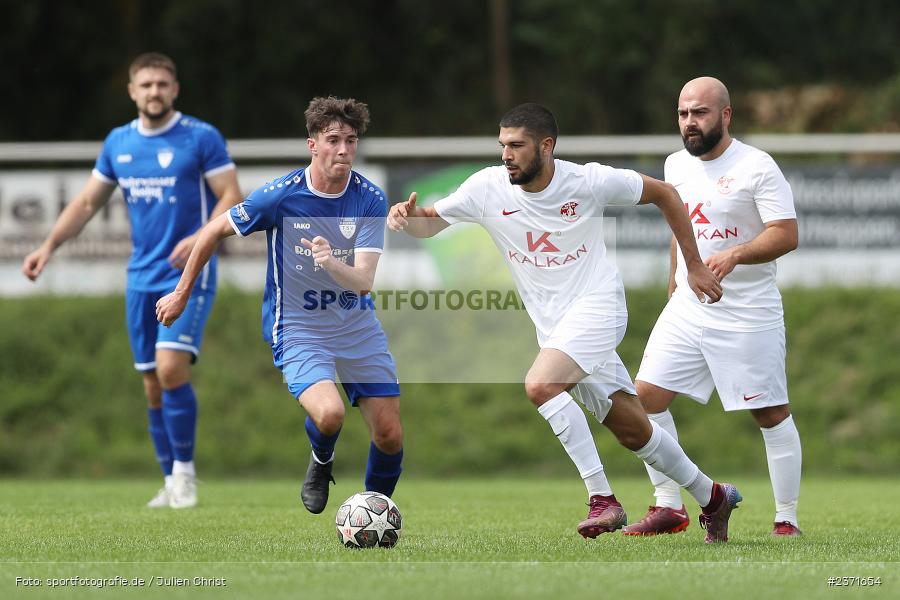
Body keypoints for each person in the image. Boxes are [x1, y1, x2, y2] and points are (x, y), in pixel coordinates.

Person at [389, 102, 742, 543]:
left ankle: (603, 500)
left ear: (547, 146)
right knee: (633, 429)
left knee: (540, 385)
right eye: (502, 145)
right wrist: (405, 217)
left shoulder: (587, 180)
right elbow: (430, 224)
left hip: (599, 308)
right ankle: (712, 497)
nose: (506, 155)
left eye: (516, 146)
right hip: (554, 328)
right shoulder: (487, 188)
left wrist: (691, 265)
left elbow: (667, 194)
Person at [156, 96, 403, 515]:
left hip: (356, 325)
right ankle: (321, 460)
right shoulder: (280, 196)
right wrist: (181, 292)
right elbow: (213, 230)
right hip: (298, 328)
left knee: (390, 434)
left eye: (351, 140)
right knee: (329, 415)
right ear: (313, 145)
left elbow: (363, 282)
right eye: (333, 140)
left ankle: (374, 516)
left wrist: (330, 261)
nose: (343, 150)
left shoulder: (369, 198)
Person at [21, 52, 241, 509]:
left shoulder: (201, 137)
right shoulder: (118, 142)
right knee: (151, 384)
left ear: (175, 89)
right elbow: (85, 204)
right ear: (132, 91)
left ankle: (185, 477)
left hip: (187, 272)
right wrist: (47, 247)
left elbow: (231, 196)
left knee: (170, 368)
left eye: (162, 84)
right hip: (140, 276)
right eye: (146, 85)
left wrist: (203, 237)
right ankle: (169, 479)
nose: (154, 92)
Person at [623, 77, 802, 537]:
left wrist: (737, 254)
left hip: (747, 311)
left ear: (725, 115)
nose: (689, 123)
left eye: (699, 113)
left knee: (770, 413)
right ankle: (669, 507)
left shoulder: (757, 166)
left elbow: (786, 233)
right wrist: (673, 280)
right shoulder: (674, 164)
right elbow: (678, 228)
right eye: (683, 113)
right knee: (642, 401)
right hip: (688, 306)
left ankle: (786, 519)